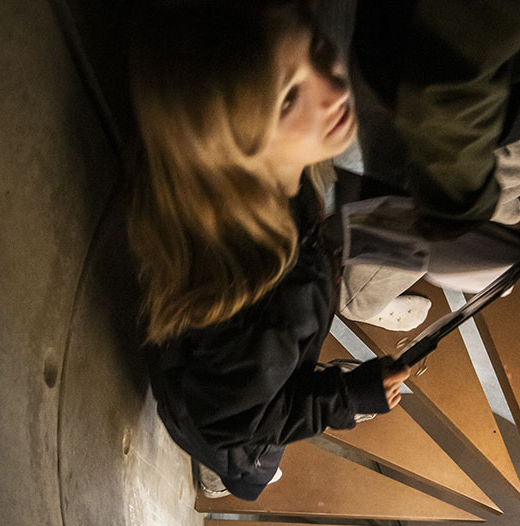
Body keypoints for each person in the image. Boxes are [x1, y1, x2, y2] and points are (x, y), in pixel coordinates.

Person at [127, 1, 410, 500]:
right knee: (252, 465)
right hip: (233, 430)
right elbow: (240, 428)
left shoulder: (272, 196)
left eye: (320, 49)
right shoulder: (261, 306)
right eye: (287, 99)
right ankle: (224, 480)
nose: (336, 89)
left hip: (231, 392)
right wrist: (348, 397)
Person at [338, 0, 520, 322]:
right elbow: (446, 81)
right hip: (429, 66)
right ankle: (359, 302)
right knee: (410, 181)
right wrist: (460, 206)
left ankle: (490, 188)